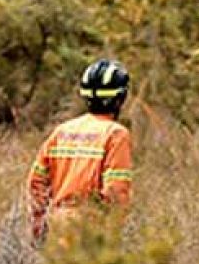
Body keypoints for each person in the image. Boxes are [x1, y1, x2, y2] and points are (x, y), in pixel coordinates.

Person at [26, 59, 134, 243]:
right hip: (91, 229)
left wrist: (39, 224)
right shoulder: (116, 134)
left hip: (56, 227)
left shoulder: (62, 131)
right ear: (120, 98)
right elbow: (116, 191)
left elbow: (36, 182)